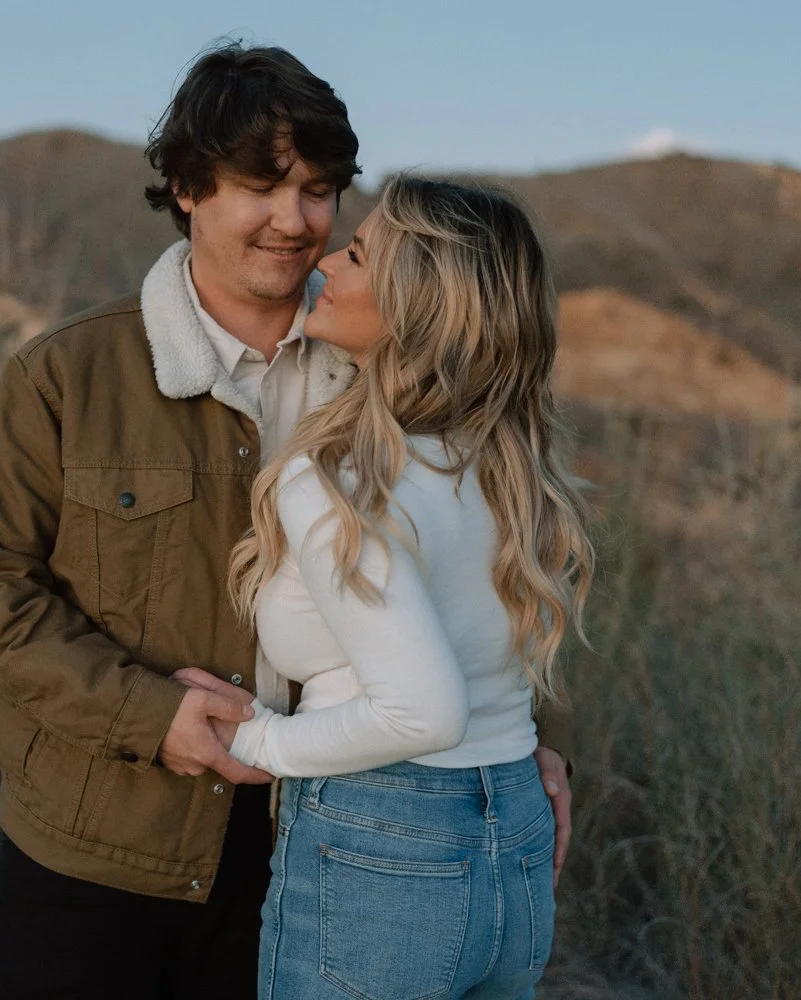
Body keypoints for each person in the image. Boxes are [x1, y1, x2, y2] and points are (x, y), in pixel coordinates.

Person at [0, 40, 574, 997]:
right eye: (258, 186)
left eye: (319, 190)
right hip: (98, 850)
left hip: (316, 851)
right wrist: (154, 716)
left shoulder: (389, 360)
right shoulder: (68, 375)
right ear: (187, 187)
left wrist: (517, 751)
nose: (295, 222)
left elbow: (485, 556)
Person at [186, 176, 595, 999]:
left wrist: (258, 742)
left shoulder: (340, 480)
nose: (325, 260)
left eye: (360, 253)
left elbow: (424, 711)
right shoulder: (510, 471)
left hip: (385, 847)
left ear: (417, 302)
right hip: (513, 837)